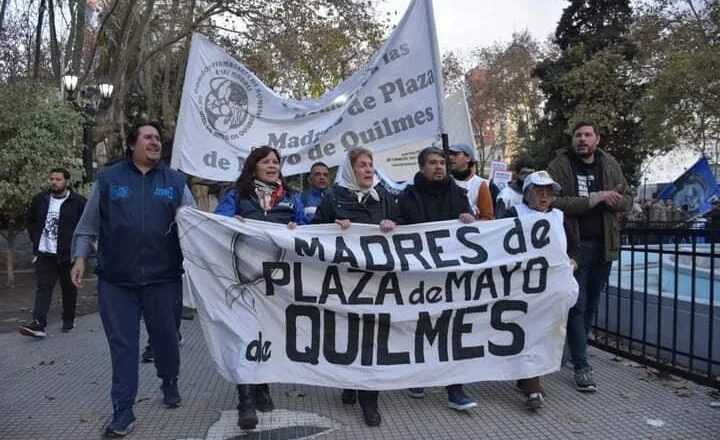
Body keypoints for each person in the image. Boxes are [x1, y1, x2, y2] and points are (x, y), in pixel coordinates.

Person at [70, 122, 195, 438]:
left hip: (163, 278)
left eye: (158, 138)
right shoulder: (109, 179)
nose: (155, 142)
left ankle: (169, 380)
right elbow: (88, 226)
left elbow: (196, 228)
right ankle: (123, 412)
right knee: (123, 346)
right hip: (116, 281)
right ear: (132, 144)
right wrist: (80, 257)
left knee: (166, 339)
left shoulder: (176, 181)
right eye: (148, 137)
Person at [214, 146, 307, 430]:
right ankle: (246, 401)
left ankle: (262, 385)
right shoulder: (237, 196)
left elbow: (308, 229)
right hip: (243, 278)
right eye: (265, 161)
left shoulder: (291, 198)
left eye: (276, 162)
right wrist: (230, 222)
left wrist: (298, 227)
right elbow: (215, 223)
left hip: (279, 281)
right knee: (245, 335)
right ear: (253, 166)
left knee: (270, 334)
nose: (272, 165)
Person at [312, 147, 401, 427]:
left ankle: (369, 400)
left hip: (376, 281)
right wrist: (333, 227)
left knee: (371, 338)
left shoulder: (384, 196)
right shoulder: (332, 197)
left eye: (370, 165)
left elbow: (404, 227)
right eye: (362, 165)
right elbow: (313, 232)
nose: (368, 170)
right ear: (350, 169)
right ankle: (350, 382)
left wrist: (392, 223)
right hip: (344, 281)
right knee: (347, 335)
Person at [547, 120, 632, 392]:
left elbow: (627, 197)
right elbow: (552, 201)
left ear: (597, 138)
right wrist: (591, 200)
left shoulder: (610, 164)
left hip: (604, 245)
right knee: (576, 304)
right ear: (572, 139)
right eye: (578, 135)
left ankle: (575, 352)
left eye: (587, 135)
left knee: (592, 303)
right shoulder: (559, 166)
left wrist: (616, 201)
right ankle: (582, 367)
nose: (582, 139)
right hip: (574, 246)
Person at [397, 147, 478, 410]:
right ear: (421, 168)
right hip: (419, 277)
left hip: (450, 276)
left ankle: (455, 389)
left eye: (442, 162)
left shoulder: (458, 193)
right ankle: (419, 376)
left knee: (452, 330)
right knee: (421, 327)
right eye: (433, 163)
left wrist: (468, 219)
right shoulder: (408, 196)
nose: (439, 167)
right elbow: (400, 229)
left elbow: (471, 229)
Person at [501, 171, 578, 410]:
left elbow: (574, 248)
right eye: (538, 190)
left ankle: (529, 379)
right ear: (527, 193)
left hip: (551, 287)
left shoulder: (560, 217)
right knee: (527, 330)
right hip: (522, 286)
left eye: (549, 191)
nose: (544, 196)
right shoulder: (513, 214)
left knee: (542, 332)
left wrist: (573, 262)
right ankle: (531, 383)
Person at [19, 168, 87, 338]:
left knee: (68, 289)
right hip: (45, 253)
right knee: (44, 287)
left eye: (58, 179)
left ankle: (68, 320)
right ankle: (38, 324)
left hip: (67, 254)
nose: (54, 182)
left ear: (67, 182)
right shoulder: (40, 200)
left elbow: (85, 225)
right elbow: (30, 219)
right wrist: (36, 239)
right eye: (52, 179)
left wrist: (80, 249)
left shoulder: (77, 202)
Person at [447, 143, 494, 220]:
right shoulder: (444, 181)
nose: (450, 157)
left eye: (455, 154)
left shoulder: (480, 184)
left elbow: (487, 217)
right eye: (449, 154)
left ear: (468, 158)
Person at [495, 154, 535, 219]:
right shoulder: (505, 195)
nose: (528, 177)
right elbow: (499, 222)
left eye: (531, 173)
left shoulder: (537, 194)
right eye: (524, 173)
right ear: (516, 174)